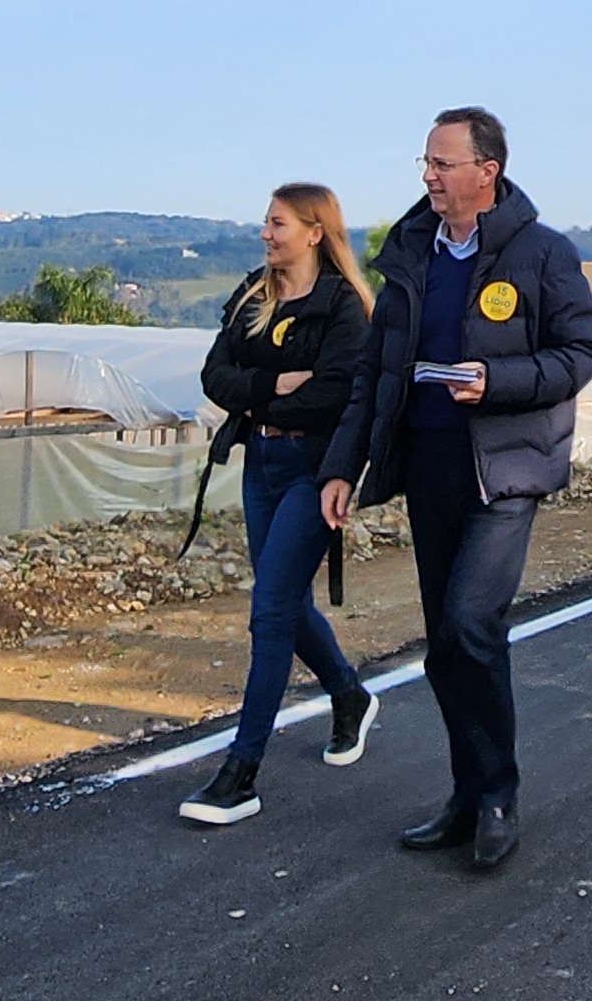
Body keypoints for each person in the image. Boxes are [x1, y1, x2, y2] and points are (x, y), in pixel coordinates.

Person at [318, 106, 592, 871]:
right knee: (446, 641)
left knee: (471, 621)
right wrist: (343, 466)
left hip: (506, 470)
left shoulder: (544, 255)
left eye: (443, 164)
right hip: (430, 469)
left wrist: (498, 380)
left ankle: (498, 797)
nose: (429, 177)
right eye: (426, 162)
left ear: (488, 171)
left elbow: (580, 353)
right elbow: (375, 375)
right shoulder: (410, 255)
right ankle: (466, 794)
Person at [177, 184, 384, 827]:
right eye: (265, 223)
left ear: (314, 230)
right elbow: (215, 377)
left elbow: (334, 396)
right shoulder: (252, 295)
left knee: (268, 609)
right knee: (285, 599)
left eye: (277, 223)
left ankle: (242, 772)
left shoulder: (343, 306)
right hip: (260, 463)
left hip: (315, 470)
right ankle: (348, 695)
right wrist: (271, 386)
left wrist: (256, 397)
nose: (265, 235)